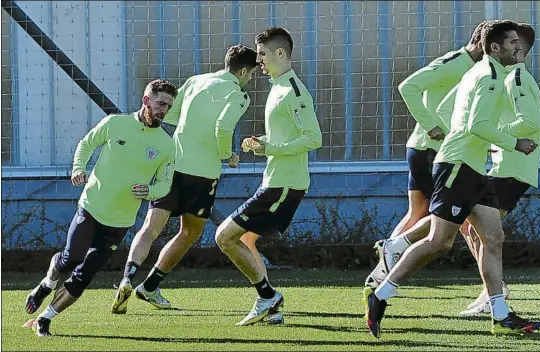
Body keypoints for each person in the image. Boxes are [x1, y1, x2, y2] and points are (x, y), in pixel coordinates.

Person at [365, 20, 540, 337]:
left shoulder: (490, 74)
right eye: (512, 42)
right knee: (439, 242)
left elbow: (459, 112)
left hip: (473, 168)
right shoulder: (489, 77)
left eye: (520, 42)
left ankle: (500, 315)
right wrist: (514, 142)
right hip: (457, 166)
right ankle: (381, 295)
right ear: (494, 48)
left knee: (493, 237)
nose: (520, 48)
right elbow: (477, 126)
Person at [111, 45, 258, 314]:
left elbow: (174, 115)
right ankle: (151, 285)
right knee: (189, 232)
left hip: (173, 165)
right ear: (245, 71)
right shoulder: (239, 94)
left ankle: (128, 278)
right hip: (203, 175)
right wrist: (228, 155)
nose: (250, 79)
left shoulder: (195, 81)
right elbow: (223, 127)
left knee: (150, 228)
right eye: (252, 73)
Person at [24, 79, 178, 336]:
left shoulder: (166, 144)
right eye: (160, 103)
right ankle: (47, 284)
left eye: (169, 106)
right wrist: (78, 169)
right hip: (91, 207)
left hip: (120, 221)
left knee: (85, 276)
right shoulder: (115, 123)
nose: (164, 110)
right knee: (71, 258)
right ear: (146, 100)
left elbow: (164, 183)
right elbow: (86, 144)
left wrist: (149, 191)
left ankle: (46, 318)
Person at [364, 21, 488, 290]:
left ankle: (380, 275)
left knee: (417, 214)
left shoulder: (474, 69)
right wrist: (432, 126)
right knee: (462, 218)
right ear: (482, 43)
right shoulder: (455, 62)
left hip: (426, 150)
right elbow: (408, 86)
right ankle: (489, 289)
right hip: (429, 150)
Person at [215, 27, 322, 326]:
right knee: (245, 241)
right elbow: (286, 135)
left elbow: (313, 138)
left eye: (262, 54)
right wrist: (261, 142)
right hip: (276, 181)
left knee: (224, 236)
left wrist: (271, 148)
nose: (257, 59)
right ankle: (272, 308)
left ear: (280, 53)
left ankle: (268, 296)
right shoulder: (277, 86)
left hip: (284, 186)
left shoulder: (294, 92)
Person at [457, 23, 540, 316]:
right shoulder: (507, 76)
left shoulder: (517, 77)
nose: (509, 46)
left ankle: (493, 293)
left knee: (474, 223)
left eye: (513, 41)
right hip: (505, 165)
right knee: (469, 223)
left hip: (513, 166)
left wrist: (495, 133)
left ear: (520, 47)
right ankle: (492, 290)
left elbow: (535, 123)